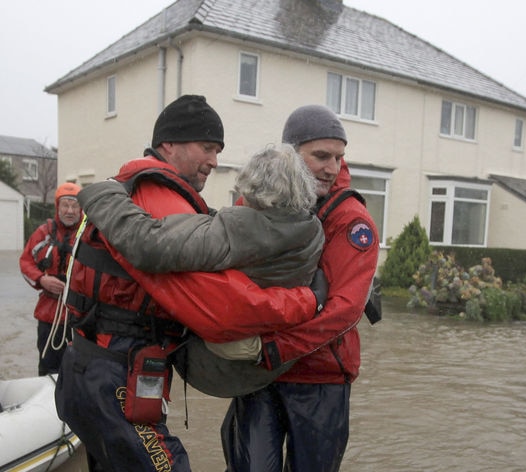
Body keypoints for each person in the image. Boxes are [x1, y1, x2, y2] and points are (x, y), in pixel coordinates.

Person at [54, 95, 325, 472]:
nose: (214, 161)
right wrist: (307, 301)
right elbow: (221, 310)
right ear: (169, 145)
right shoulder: (160, 195)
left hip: (88, 365)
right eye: (207, 148)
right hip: (116, 371)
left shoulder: (132, 184)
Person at [76, 144, 325, 396]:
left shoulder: (242, 230)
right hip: (273, 361)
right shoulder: (312, 229)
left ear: (254, 190)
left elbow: (149, 245)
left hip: (220, 367)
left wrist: (102, 195)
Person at [222, 104, 380, 471]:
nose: (332, 167)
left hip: (320, 377)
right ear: (290, 154)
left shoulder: (351, 220)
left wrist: (278, 348)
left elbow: (346, 310)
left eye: (338, 157)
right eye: (321, 156)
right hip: (260, 374)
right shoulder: (255, 205)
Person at [19, 182, 83, 375]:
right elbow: (25, 263)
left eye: (75, 205)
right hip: (49, 316)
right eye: (66, 205)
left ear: (81, 209)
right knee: (48, 369)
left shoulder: (88, 235)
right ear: (58, 207)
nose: (70, 210)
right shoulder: (43, 233)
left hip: (78, 318)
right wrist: (42, 279)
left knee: (77, 372)